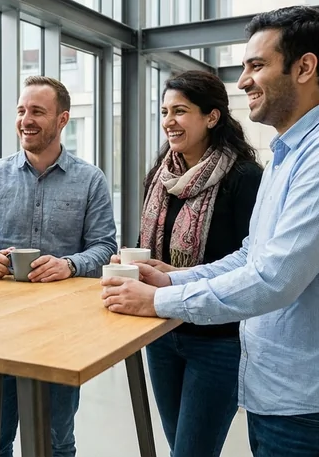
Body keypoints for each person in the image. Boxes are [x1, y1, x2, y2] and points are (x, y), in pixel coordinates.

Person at [101, 6, 319, 456]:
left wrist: (158, 299)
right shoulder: (287, 154)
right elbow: (250, 255)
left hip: (317, 404)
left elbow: (274, 277)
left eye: (256, 65)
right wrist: (172, 278)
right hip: (278, 392)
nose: (242, 82)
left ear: (304, 67)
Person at [0, 75, 118, 457]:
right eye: (21, 110)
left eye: (37, 112)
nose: (26, 119)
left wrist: (70, 265)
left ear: (62, 119)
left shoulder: (90, 180)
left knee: (56, 441)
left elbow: (105, 247)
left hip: (63, 333)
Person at [111, 70, 262, 456]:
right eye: (164, 112)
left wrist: (179, 277)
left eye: (180, 111)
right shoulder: (161, 177)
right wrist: (140, 268)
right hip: (161, 333)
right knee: (179, 442)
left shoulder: (244, 178)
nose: (168, 122)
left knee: (191, 451)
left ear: (212, 117)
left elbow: (252, 261)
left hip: (218, 338)